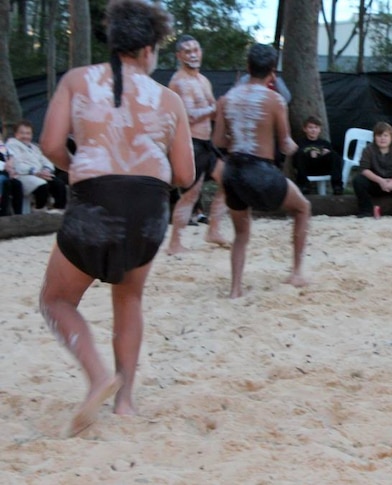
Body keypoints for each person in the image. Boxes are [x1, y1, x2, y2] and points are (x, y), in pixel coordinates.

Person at [36, 0, 194, 436]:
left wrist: (77, 169)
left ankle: (99, 376)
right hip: (148, 204)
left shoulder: (76, 80)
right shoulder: (169, 98)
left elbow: (50, 144)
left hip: (95, 196)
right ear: (149, 49)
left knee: (56, 300)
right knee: (129, 298)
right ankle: (124, 400)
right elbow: (184, 174)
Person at [213, 43, 310, 298]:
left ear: (247, 67)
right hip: (260, 172)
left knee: (241, 233)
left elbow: (218, 142)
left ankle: (235, 289)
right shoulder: (275, 99)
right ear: (272, 72)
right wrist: (295, 148)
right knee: (303, 208)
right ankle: (297, 271)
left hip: (232, 171)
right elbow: (286, 144)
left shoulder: (227, 99)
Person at [165, 34, 229, 255]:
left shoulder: (203, 80)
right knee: (191, 194)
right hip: (190, 143)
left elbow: (212, 113)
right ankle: (174, 243)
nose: (193, 55)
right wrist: (215, 108)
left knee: (228, 180)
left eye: (195, 50)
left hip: (206, 143)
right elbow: (190, 115)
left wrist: (224, 111)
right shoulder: (179, 81)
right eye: (187, 51)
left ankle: (214, 230)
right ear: (179, 56)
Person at [352, 121, 392, 218]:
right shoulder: (368, 149)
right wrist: (380, 181)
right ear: (374, 137)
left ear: (391, 137)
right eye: (379, 135)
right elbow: (363, 169)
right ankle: (366, 210)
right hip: (375, 183)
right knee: (358, 180)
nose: (382, 138)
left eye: (385, 135)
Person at [6, 119, 68, 210]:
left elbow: (46, 160)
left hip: (41, 174)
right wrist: (36, 172)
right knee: (42, 186)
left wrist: (46, 170)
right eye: (22, 133)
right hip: (24, 175)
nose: (25, 136)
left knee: (59, 184)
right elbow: (17, 164)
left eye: (28, 133)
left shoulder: (34, 147)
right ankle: (39, 209)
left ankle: (58, 210)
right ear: (16, 134)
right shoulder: (11, 145)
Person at [293, 115, 344, 195]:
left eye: (316, 127)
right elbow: (295, 160)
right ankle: (304, 186)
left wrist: (325, 153)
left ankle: (337, 186)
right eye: (310, 127)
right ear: (305, 129)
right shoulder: (300, 143)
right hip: (307, 169)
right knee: (300, 154)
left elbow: (332, 158)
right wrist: (309, 155)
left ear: (319, 129)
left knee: (335, 155)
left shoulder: (325, 143)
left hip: (322, 168)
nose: (313, 130)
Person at [0, 130, 24, 215]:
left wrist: (10, 163)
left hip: (7, 174)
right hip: (2, 174)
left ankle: (18, 214)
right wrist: (5, 166)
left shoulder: (2, 146)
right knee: (4, 182)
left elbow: (11, 155)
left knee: (17, 184)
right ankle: (2, 212)